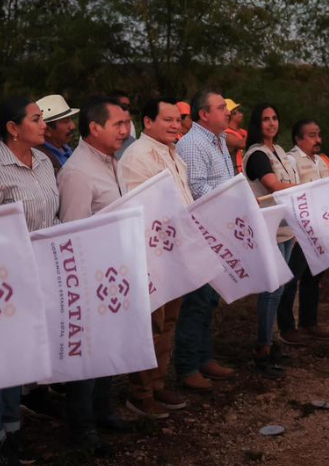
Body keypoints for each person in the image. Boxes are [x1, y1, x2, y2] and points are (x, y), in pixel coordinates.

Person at [0, 97, 59, 465]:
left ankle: (12, 432)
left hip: (40, 273)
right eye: (37, 119)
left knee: (19, 359)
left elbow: (50, 218)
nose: (44, 125)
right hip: (3, 278)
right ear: (13, 127)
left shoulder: (43, 162)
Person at [56, 97, 133, 455]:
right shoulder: (77, 172)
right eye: (118, 124)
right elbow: (72, 233)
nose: (125, 130)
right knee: (86, 356)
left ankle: (102, 412)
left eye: (126, 123)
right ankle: (80, 427)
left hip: (113, 273)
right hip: (88, 277)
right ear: (94, 128)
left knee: (107, 349)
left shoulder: (111, 162)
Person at [117, 97, 194, 418]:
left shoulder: (173, 152)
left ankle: (159, 381)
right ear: (147, 122)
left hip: (176, 250)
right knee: (151, 324)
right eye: (168, 120)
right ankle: (140, 391)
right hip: (152, 253)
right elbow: (143, 209)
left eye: (178, 120)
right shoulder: (137, 156)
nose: (175, 125)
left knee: (169, 321)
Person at [173, 89, 236, 391]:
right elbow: (195, 187)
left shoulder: (219, 139)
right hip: (200, 232)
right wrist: (231, 192)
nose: (227, 112)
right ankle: (186, 367)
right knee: (197, 301)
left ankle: (204, 357)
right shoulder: (193, 143)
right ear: (204, 114)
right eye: (222, 107)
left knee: (210, 299)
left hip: (217, 228)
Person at [242, 104, 299, 378]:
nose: (271, 123)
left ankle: (272, 340)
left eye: (275, 118)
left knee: (280, 288)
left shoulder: (280, 151)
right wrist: (307, 188)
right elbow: (273, 185)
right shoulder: (257, 154)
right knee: (271, 289)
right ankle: (262, 348)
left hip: (287, 229)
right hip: (269, 229)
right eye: (265, 119)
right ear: (257, 123)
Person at [280, 119, 329, 345]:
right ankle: (286, 327)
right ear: (298, 139)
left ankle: (309, 322)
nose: (318, 140)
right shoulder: (292, 160)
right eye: (312, 135)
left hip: (319, 228)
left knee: (314, 275)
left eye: (319, 134)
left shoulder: (321, 162)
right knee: (291, 277)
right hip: (299, 231)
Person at [34, 94, 79, 177]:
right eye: (65, 121)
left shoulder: (65, 148)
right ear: (47, 130)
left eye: (70, 119)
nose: (72, 126)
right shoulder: (40, 160)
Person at [223, 98, 245, 173]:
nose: (241, 114)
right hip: (234, 176)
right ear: (230, 115)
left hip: (244, 173)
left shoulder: (242, 132)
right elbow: (243, 144)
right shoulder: (225, 135)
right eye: (236, 112)